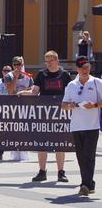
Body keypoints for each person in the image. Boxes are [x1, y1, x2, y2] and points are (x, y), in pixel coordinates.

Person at [18, 50, 71, 182]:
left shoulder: (64, 75)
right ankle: (42, 171)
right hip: (44, 114)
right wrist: (24, 92)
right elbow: (35, 91)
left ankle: (61, 172)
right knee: (42, 143)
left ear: (57, 61)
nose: (48, 64)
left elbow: (70, 92)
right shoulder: (42, 74)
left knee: (60, 144)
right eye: (46, 61)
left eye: (50, 61)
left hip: (60, 114)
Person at [62, 56, 101, 196]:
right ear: (77, 69)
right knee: (81, 156)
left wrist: (95, 105)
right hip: (76, 126)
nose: (85, 70)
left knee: (89, 155)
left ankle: (85, 184)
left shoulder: (97, 82)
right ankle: (89, 183)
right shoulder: (72, 85)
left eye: (87, 67)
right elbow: (63, 105)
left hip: (92, 125)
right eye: (82, 67)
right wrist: (69, 105)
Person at [5, 56, 33, 161]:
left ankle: (24, 152)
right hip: (12, 106)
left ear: (22, 65)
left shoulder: (28, 77)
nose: (17, 66)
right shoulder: (9, 76)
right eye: (15, 64)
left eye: (19, 64)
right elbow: (10, 90)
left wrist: (24, 92)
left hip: (25, 105)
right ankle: (15, 153)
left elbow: (33, 91)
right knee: (14, 129)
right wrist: (16, 78)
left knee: (25, 129)